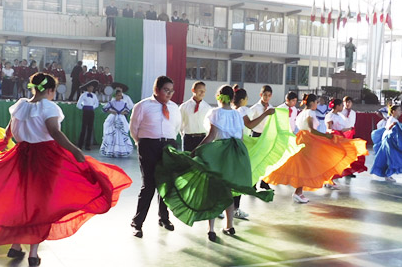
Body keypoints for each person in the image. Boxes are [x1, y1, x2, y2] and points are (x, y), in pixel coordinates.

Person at [0, 72, 132, 267]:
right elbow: (55, 132)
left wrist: (1, 145)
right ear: (51, 90)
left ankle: (17, 244)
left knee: (22, 200)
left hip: (21, 155)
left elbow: (10, 132)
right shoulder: (49, 107)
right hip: (45, 157)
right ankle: (33, 254)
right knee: (41, 202)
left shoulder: (20, 105)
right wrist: (75, 150)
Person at [155, 85, 273, 241]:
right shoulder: (237, 115)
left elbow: (212, 135)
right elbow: (240, 137)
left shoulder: (215, 113)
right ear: (232, 98)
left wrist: (197, 149)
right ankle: (229, 225)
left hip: (219, 153)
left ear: (218, 97)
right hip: (235, 152)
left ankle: (211, 229)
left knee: (214, 190)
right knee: (229, 190)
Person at [262, 94, 366, 203]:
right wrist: (325, 136)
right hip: (308, 140)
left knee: (303, 167)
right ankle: (298, 193)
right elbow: (311, 130)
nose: (317, 104)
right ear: (312, 103)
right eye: (316, 102)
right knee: (306, 167)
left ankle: (299, 192)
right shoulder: (310, 113)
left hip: (302, 139)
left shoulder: (302, 112)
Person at [129, 76, 181, 238]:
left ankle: (164, 218)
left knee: (166, 184)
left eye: (172, 91)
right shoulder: (143, 106)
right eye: (166, 90)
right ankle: (137, 223)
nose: (169, 94)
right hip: (148, 146)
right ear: (156, 90)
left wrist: (169, 143)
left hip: (169, 146)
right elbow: (134, 128)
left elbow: (177, 127)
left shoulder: (174, 107)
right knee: (149, 185)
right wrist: (143, 143)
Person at [232, 85, 275, 218]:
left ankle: (232, 208)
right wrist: (265, 114)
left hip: (236, 143)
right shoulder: (243, 110)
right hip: (241, 144)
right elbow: (250, 125)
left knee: (234, 176)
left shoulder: (233, 110)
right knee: (238, 177)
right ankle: (234, 209)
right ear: (244, 99)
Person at [325, 99, 368, 188]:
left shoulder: (339, 115)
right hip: (334, 139)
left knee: (340, 159)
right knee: (333, 160)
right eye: (341, 105)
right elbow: (329, 128)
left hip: (340, 137)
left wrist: (349, 129)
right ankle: (329, 180)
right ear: (337, 106)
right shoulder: (330, 116)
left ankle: (330, 179)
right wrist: (333, 133)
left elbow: (341, 128)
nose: (342, 107)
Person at [100, 89, 133, 158]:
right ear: (115, 96)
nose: (120, 97)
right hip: (113, 118)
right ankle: (111, 150)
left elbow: (127, 110)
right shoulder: (111, 102)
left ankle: (121, 150)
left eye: (121, 95)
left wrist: (123, 113)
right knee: (112, 134)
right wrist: (111, 112)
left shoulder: (124, 103)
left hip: (121, 118)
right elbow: (104, 109)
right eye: (118, 95)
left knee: (121, 134)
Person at [179, 81, 211, 152]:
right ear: (193, 90)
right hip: (189, 138)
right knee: (188, 160)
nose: (202, 93)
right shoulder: (184, 107)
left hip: (203, 138)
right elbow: (180, 124)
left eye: (204, 91)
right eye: (200, 91)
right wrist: (183, 136)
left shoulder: (207, 108)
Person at [76, 80, 100, 150]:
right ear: (87, 88)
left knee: (90, 128)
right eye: (90, 88)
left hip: (91, 112)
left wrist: (92, 107)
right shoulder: (83, 95)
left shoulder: (94, 95)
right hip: (85, 111)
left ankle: (87, 145)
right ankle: (80, 145)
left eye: (92, 88)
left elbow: (97, 103)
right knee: (84, 128)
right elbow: (78, 104)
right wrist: (84, 108)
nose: (91, 89)